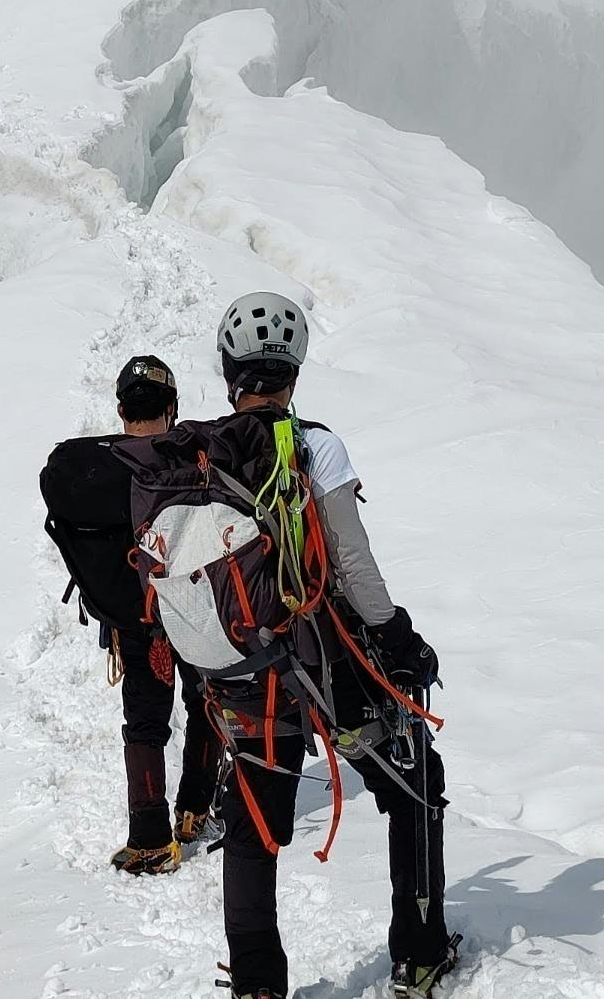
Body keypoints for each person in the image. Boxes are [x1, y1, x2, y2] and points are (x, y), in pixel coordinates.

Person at [173, 293, 455, 999]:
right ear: (294, 370)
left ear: (228, 369)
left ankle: (258, 988)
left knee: (251, 823)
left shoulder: (199, 455)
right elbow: (351, 563)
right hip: (327, 663)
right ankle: (418, 956)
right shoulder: (314, 445)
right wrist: (397, 635)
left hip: (242, 669)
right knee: (415, 780)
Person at [39, 354, 225, 875]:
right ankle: (195, 811)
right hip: (191, 609)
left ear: (121, 409)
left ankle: (148, 837)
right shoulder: (186, 461)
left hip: (132, 619)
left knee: (144, 722)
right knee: (204, 699)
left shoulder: (96, 471)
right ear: (173, 407)